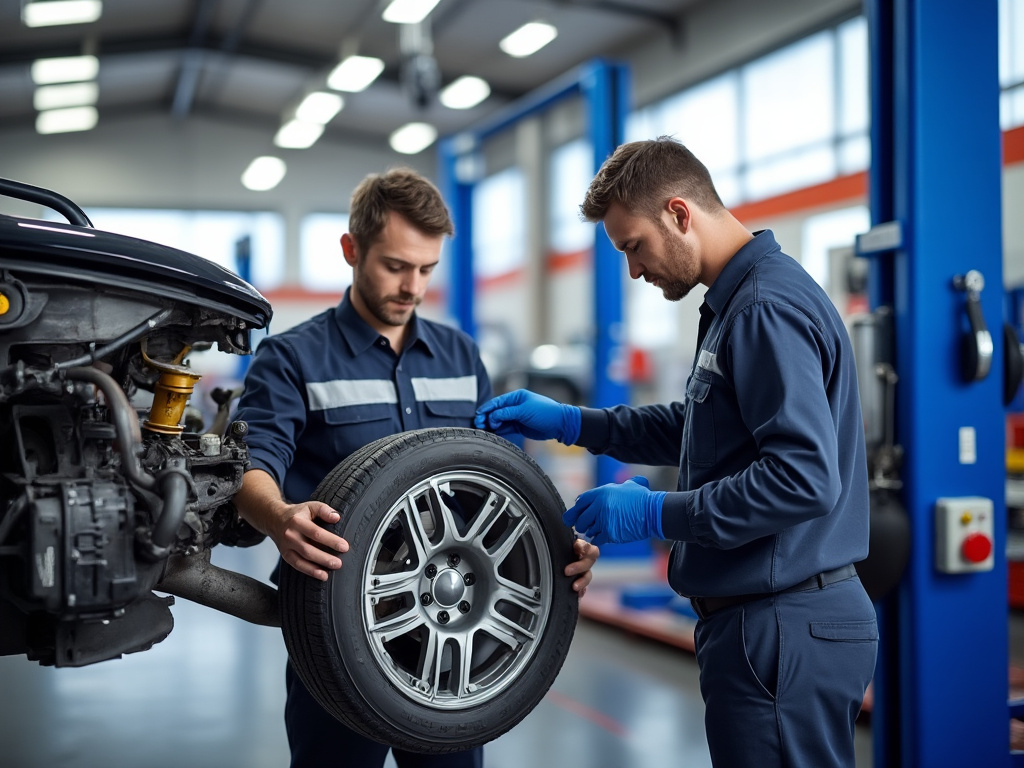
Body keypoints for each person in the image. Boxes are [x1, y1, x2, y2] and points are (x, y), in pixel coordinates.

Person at [475, 137, 877, 768]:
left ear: (680, 213)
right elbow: (700, 429)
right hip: (767, 621)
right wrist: (573, 422)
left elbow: (803, 479)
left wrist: (656, 514)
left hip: (780, 622)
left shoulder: (763, 307)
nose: (634, 270)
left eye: (633, 246)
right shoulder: (736, 304)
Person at [231, 167, 599, 768]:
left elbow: (502, 481)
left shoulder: (459, 356)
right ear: (352, 250)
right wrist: (279, 516)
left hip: (452, 634)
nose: (412, 286)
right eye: (395, 266)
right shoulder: (292, 357)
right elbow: (251, 466)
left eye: (426, 269)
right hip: (338, 627)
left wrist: (559, 543)